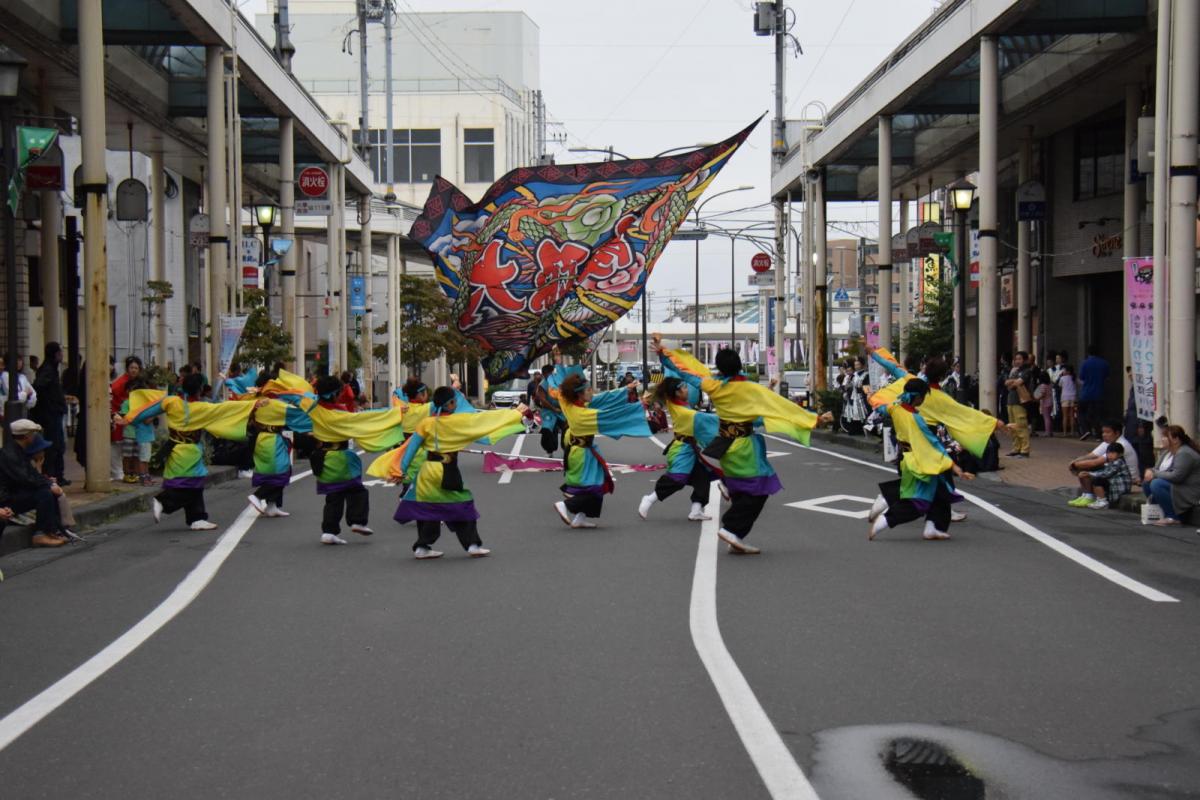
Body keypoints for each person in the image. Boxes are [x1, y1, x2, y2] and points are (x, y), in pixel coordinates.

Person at [656, 334, 825, 554]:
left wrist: (662, 354)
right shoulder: (751, 389)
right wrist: (812, 418)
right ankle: (732, 530)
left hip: (725, 446)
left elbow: (683, 372)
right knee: (760, 489)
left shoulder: (713, 386)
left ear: (719, 368)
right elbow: (781, 406)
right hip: (745, 447)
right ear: (739, 366)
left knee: (739, 489)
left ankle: (735, 537)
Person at [382, 387, 527, 559]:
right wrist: (516, 414)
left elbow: (410, 450)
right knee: (463, 503)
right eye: (454, 401)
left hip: (427, 471)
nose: (456, 403)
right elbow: (486, 420)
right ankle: (472, 545)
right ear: (450, 404)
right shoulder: (459, 422)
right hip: (447, 471)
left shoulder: (425, 423)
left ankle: (422, 547)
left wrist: (400, 471)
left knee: (428, 508)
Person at [868, 379, 974, 541]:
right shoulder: (916, 419)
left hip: (908, 457)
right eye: (923, 396)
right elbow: (933, 443)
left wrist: (871, 397)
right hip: (920, 462)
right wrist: (954, 466)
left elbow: (879, 406)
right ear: (917, 397)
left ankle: (933, 527)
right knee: (919, 502)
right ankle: (885, 520)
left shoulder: (895, 408)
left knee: (940, 493)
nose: (924, 400)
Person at [551, 370, 650, 528]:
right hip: (582, 455)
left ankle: (580, 518)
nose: (592, 392)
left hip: (580, 450)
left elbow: (602, 398)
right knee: (595, 487)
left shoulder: (569, 402)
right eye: (589, 390)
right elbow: (613, 416)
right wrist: (641, 405)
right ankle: (566, 506)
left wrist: (626, 389)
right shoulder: (583, 414)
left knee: (598, 484)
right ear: (579, 394)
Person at [126, 373, 219, 531]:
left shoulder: (171, 401)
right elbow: (227, 410)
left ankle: (197, 518)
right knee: (190, 485)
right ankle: (164, 501)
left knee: (194, 485)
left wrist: (128, 418)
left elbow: (147, 410)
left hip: (175, 448)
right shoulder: (203, 407)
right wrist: (253, 405)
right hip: (190, 451)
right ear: (200, 389)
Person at [638, 376, 721, 522]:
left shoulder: (676, 403)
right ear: (676, 392)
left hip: (690, 449)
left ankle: (696, 511)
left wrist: (666, 358)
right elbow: (709, 420)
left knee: (702, 479)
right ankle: (649, 499)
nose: (687, 389)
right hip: (681, 450)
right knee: (677, 479)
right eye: (683, 387)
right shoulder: (686, 412)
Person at [0, 419, 72, 547]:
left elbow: (31, 476)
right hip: (7, 500)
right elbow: (25, 478)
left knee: (46, 491)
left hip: (14, 494)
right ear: (27, 436)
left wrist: (47, 481)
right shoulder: (10, 454)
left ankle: (52, 530)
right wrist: (48, 484)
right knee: (44, 494)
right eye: (33, 433)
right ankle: (42, 533)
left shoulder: (18, 451)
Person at [1067, 419, 1139, 506]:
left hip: (1122, 477)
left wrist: (1076, 465)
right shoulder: (1109, 442)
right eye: (1103, 432)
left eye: (1108, 432)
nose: (1104, 435)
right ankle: (1086, 494)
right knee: (1083, 466)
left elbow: (1096, 462)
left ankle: (1091, 497)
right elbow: (1092, 455)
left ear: (1117, 433)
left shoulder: (1121, 445)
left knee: (1085, 468)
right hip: (1113, 471)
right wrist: (1076, 461)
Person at [1142, 425, 1200, 526]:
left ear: (1175, 439)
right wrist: (1150, 471)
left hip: (1186, 489)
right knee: (1147, 483)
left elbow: (1177, 476)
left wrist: (1154, 474)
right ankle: (1159, 513)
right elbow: (1156, 468)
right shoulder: (1167, 452)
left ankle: (1173, 516)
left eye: (1165, 437)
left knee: (1157, 484)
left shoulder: (1184, 453)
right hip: (1176, 486)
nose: (1162, 439)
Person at [30, 342, 68, 483]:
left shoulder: (51, 369)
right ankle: (53, 474)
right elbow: (39, 386)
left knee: (58, 445)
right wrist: (51, 402)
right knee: (55, 444)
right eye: (60, 352)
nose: (62, 355)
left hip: (54, 412)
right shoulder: (47, 370)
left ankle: (58, 474)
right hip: (50, 414)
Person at [1071, 441, 1132, 510]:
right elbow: (1104, 471)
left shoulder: (1118, 462)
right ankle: (1086, 495)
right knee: (1086, 475)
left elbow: (1106, 474)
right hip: (1113, 484)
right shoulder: (1111, 461)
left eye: (1113, 453)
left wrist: (1090, 474)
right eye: (1108, 453)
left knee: (1097, 480)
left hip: (1119, 487)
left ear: (1120, 454)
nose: (1110, 455)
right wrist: (1088, 473)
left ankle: (1102, 501)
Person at [111, 356, 142, 482]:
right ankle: (119, 473)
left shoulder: (140, 382)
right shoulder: (119, 384)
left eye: (136, 368)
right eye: (131, 367)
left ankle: (131, 473)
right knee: (120, 449)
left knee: (134, 452)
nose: (134, 370)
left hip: (135, 424)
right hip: (121, 419)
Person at [1003, 351, 1034, 457]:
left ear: (1025, 360)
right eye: (1016, 359)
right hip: (1010, 401)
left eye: (1020, 359)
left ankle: (1025, 450)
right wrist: (1012, 382)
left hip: (1020, 402)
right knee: (1012, 426)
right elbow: (1006, 383)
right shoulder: (1015, 371)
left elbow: (1017, 383)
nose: (1017, 361)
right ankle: (1016, 448)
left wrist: (1011, 382)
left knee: (1021, 425)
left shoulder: (1027, 371)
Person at [1077, 344, 1109, 440]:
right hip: (1099, 393)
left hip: (1086, 393)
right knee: (1098, 415)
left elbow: (1081, 378)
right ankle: (1099, 435)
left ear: (1088, 352)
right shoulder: (1104, 363)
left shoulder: (1085, 363)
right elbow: (1107, 378)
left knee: (1081, 412)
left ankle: (1086, 429)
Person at [0, 355, 38, 420]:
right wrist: (26, 393)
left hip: (22, 412)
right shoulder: (5, 376)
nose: (19, 362)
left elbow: (33, 395)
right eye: (17, 360)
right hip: (8, 414)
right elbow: (14, 396)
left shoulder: (22, 377)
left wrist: (27, 397)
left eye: (20, 360)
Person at [841, 358, 870, 435]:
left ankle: (862, 429)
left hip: (862, 396)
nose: (856, 366)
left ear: (862, 365)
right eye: (855, 365)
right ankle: (855, 429)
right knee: (854, 413)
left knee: (862, 413)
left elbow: (866, 387)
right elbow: (849, 385)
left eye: (858, 364)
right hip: (853, 396)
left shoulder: (866, 374)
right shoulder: (854, 375)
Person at [1033, 371, 1055, 437]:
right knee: (1049, 417)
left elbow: (1042, 394)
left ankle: (1047, 432)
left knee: (1046, 418)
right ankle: (1050, 431)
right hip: (1051, 401)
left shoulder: (1043, 385)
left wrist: (1037, 399)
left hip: (1045, 402)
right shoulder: (1050, 384)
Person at [1058, 364, 1078, 436]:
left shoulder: (1062, 378)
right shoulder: (1073, 378)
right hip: (1073, 397)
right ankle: (1072, 432)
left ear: (1068, 371)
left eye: (1064, 370)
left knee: (1065, 416)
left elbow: (1059, 386)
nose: (1063, 371)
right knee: (1072, 415)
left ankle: (1065, 432)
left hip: (1065, 397)